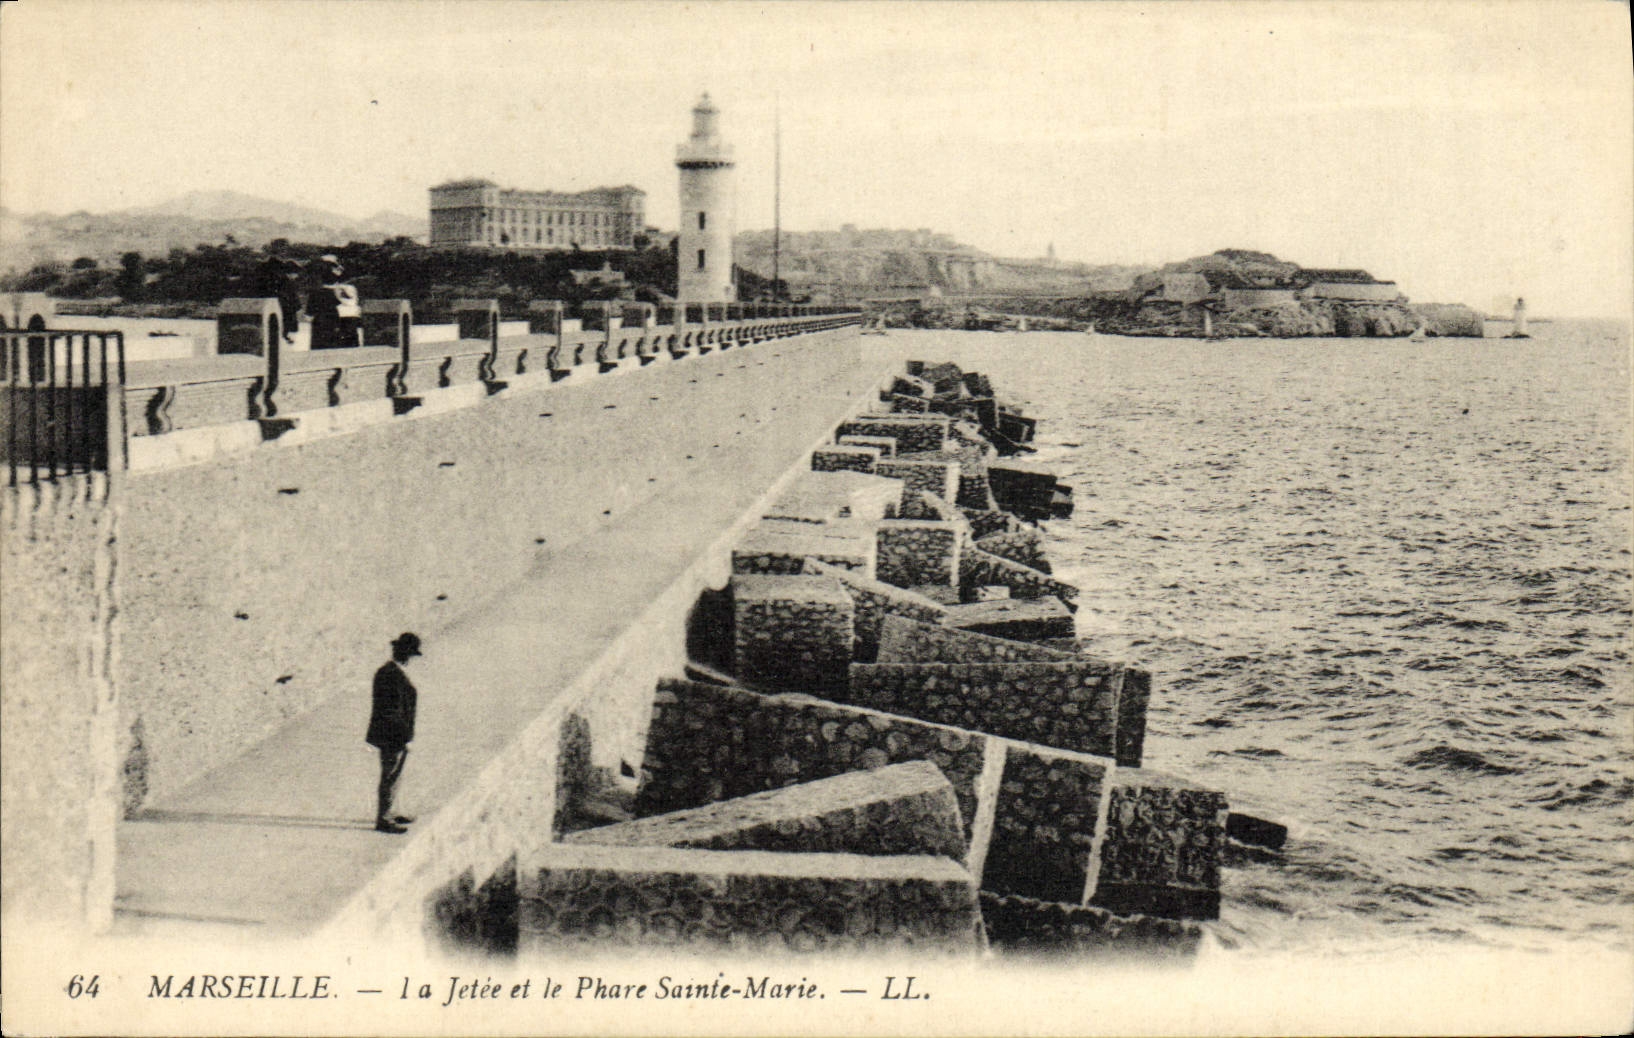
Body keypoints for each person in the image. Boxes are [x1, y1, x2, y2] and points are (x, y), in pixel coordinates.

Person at [366, 632, 421, 834]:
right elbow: (391, 711)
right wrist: (404, 737)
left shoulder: (390, 671)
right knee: (390, 776)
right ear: (403, 653)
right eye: (409, 654)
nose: (410, 659)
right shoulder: (391, 675)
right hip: (392, 735)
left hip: (394, 734)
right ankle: (384, 819)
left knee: (395, 775)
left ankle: (392, 811)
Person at [306, 255, 342, 349]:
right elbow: (336, 309)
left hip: (318, 322)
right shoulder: (332, 293)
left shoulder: (315, 292)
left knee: (318, 344)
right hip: (330, 322)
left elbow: (309, 314)